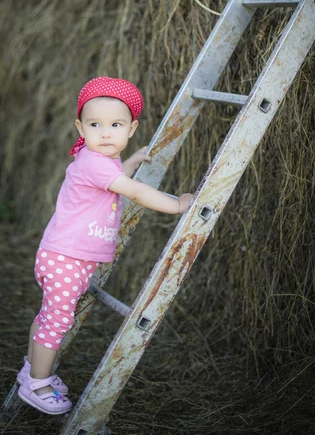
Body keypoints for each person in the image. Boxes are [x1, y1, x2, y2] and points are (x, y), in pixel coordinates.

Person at [17, 76, 194, 415]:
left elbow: (110, 183)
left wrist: (129, 164)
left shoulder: (98, 159)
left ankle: (32, 369)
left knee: (49, 317)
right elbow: (134, 192)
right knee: (57, 321)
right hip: (66, 258)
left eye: (116, 124)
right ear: (80, 128)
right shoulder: (94, 161)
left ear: (132, 128)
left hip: (66, 255)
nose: (106, 132)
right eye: (95, 124)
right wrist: (176, 205)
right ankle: (37, 383)